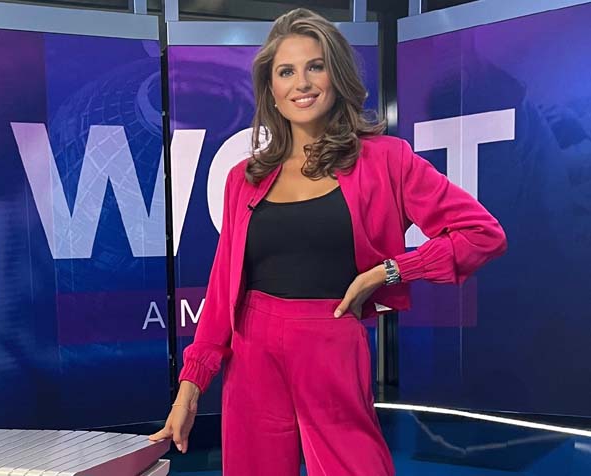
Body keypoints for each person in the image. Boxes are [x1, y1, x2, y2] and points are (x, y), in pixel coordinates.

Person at [149, 8, 507, 476]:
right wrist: (190, 388)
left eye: (315, 66)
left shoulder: (386, 160)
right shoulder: (244, 178)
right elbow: (222, 293)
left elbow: (482, 234)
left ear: (335, 76)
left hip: (333, 337)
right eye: (286, 72)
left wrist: (389, 272)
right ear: (271, 90)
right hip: (253, 346)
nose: (301, 83)